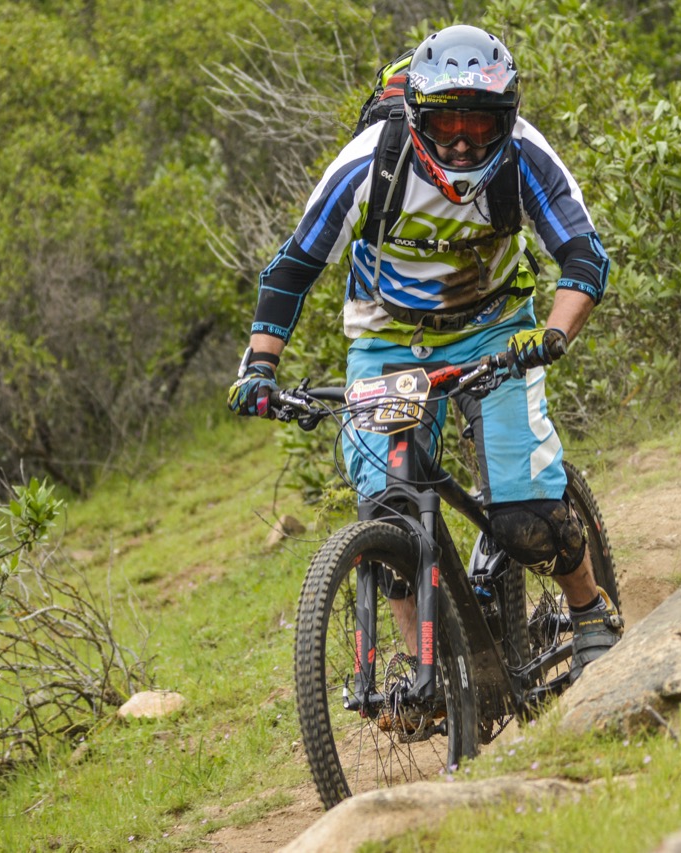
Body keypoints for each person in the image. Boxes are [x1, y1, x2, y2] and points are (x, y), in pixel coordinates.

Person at [228, 24, 619, 681]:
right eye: (445, 124)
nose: (462, 141)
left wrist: (552, 335)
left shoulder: (524, 155)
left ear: (506, 119)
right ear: (416, 119)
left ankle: (589, 612)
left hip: (495, 330)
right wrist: (260, 366)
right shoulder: (366, 164)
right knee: (390, 513)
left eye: (479, 123)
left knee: (523, 516)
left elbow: (584, 255)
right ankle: (423, 674)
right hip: (388, 338)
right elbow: (293, 267)